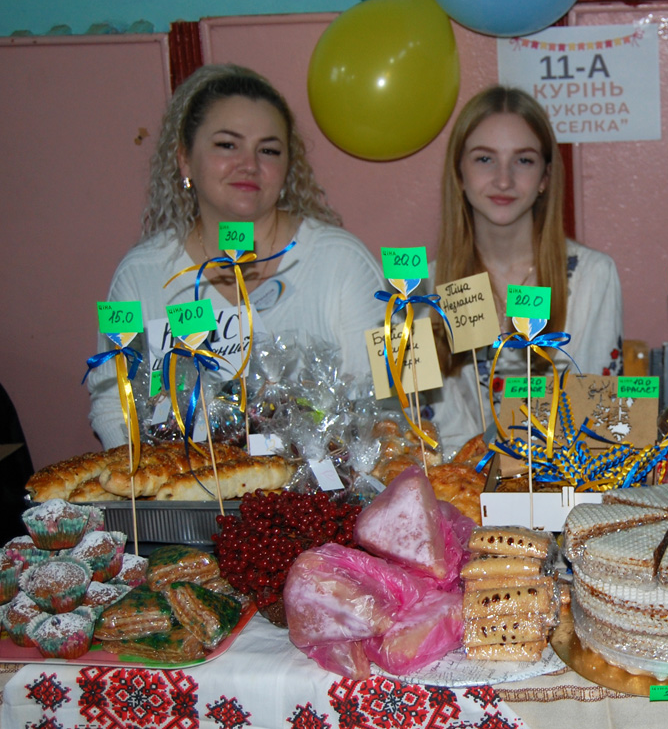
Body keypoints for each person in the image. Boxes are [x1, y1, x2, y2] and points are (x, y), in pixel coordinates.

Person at [88, 64, 386, 449]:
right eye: (227, 145)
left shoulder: (341, 263)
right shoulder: (141, 275)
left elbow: (381, 401)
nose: (250, 165)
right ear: (184, 159)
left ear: (287, 167)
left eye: (268, 150)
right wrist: (152, 475)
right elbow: (112, 405)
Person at [425, 86, 623, 456]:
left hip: (561, 483)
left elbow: (594, 427)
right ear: (459, 173)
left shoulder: (592, 276)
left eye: (524, 161)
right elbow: (434, 435)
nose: (504, 180)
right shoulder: (422, 290)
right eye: (485, 159)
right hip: (457, 484)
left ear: (546, 177)